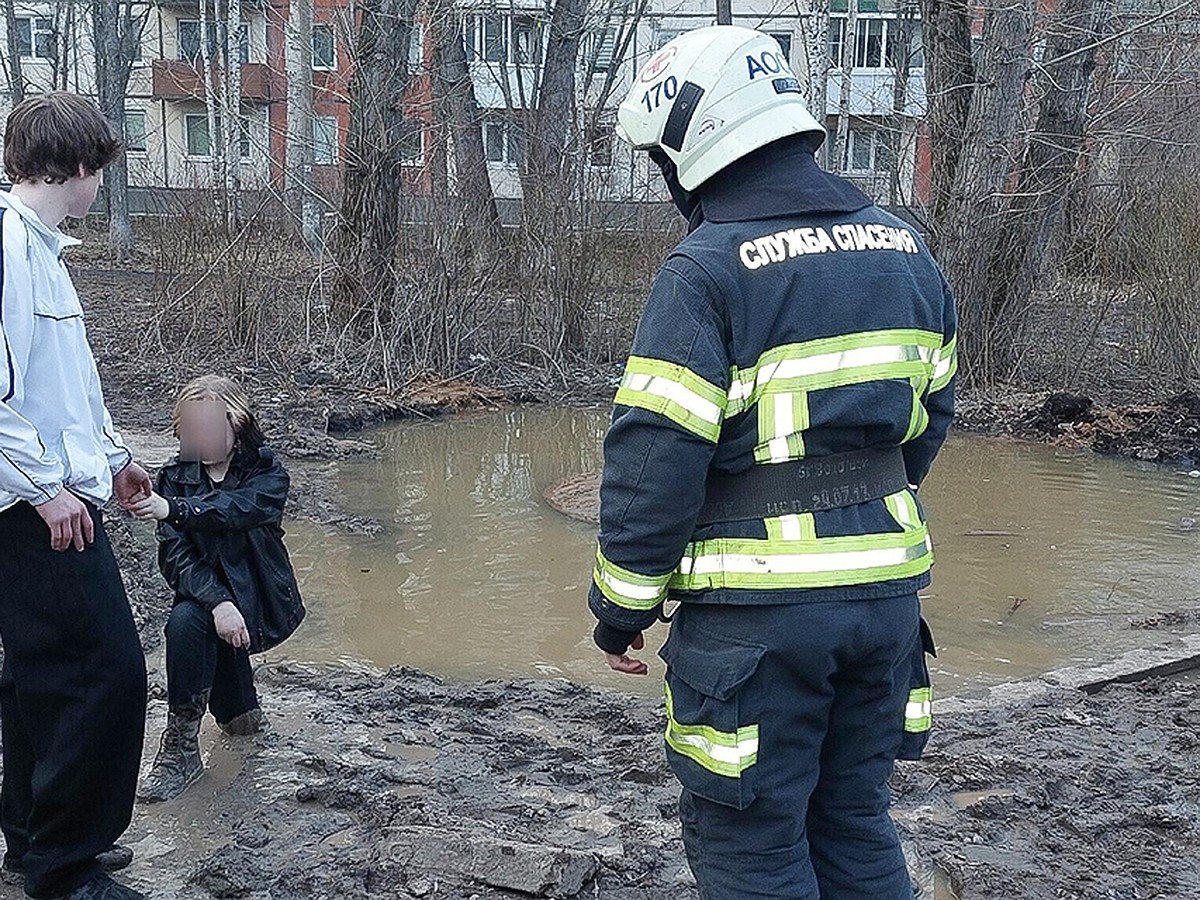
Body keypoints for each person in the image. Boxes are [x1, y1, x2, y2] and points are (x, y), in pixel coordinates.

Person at [588, 27, 957, 899]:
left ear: (694, 144)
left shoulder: (706, 271)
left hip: (759, 625)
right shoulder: (907, 250)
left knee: (752, 847)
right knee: (855, 822)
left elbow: (654, 462)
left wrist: (620, 607)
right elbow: (928, 423)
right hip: (886, 608)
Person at [0, 93, 151, 900]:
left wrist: (115, 458)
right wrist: (47, 488)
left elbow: (67, 388)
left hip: (52, 495)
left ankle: (31, 840)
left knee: (39, 675)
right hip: (31, 510)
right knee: (107, 673)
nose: (101, 186)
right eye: (102, 170)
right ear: (82, 166)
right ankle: (67, 865)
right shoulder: (6, 247)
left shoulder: (40, 249)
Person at [129, 375, 304, 802]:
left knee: (237, 717)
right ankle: (181, 748)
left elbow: (236, 510)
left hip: (259, 597)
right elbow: (176, 558)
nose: (199, 440)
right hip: (208, 599)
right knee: (187, 619)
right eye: (190, 431)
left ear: (236, 423)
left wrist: (175, 509)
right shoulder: (171, 477)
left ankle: (238, 714)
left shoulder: (267, 472)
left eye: (208, 429)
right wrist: (219, 602)